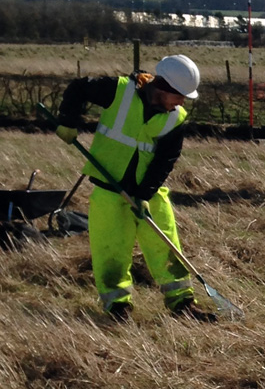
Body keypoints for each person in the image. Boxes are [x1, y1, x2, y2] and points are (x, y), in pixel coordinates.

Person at [55, 54, 215, 322]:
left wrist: (144, 195)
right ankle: (118, 308)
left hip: (149, 193)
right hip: (109, 189)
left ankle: (182, 304)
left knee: (166, 245)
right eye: (180, 95)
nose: (182, 102)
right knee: (111, 250)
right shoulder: (118, 90)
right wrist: (67, 121)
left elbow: (166, 160)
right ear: (164, 88)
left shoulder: (175, 118)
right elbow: (78, 87)